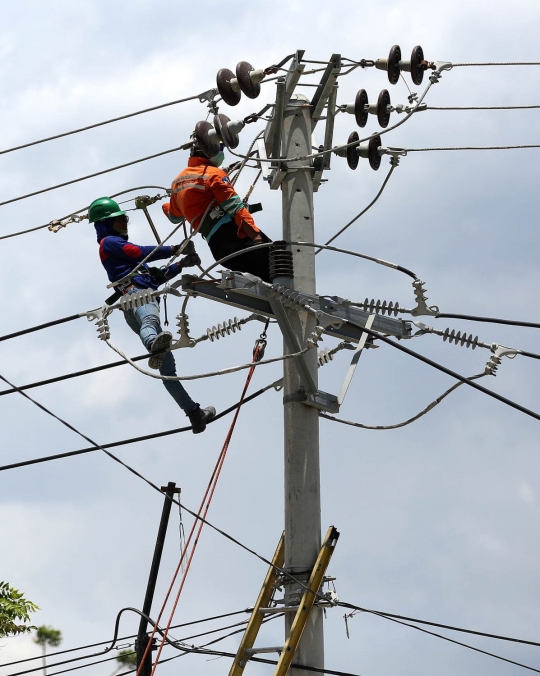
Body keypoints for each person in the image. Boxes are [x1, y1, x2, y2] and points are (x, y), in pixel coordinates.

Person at [89, 196, 216, 434]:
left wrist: (182, 264)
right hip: (137, 295)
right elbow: (136, 251)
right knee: (150, 321)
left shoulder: (129, 264)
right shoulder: (109, 242)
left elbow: (155, 277)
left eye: (124, 220)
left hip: (135, 295)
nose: (123, 224)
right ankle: (153, 345)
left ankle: (194, 414)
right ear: (106, 224)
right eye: (118, 221)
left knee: (168, 372)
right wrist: (174, 249)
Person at [162, 139, 273, 282]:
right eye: (220, 147)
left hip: (219, 250)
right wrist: (256, 238)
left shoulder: (177, 183)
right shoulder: (214, 174)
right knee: (280, 262)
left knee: (264, 287)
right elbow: (235, 208)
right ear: (209, 151)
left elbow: (174, 217)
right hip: (236, 238)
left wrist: (165, 205)